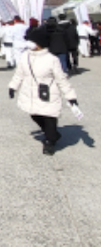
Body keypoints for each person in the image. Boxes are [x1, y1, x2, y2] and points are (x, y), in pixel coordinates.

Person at [9, 26, 78, 155]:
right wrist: (13, 86)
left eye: (32, 41)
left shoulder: (52, 59)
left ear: (39, 43)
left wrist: (70, 96)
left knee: (49, 118)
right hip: (30, 92)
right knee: (34, 114)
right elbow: (19, 74)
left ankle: (50, 142)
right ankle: (51, 134)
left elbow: (61, 79)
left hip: (48, 93)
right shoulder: (25, 56)